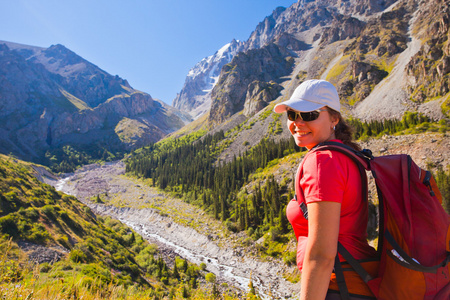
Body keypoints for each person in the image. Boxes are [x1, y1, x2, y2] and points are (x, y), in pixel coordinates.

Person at [273, 79, 377, 300]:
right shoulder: (345, 155)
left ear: (334, 118)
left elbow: (321, 255)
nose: (298, 123)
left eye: (309, 114)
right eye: (292, 114)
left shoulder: (322, 162)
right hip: (355, 282)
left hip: (338, 286)